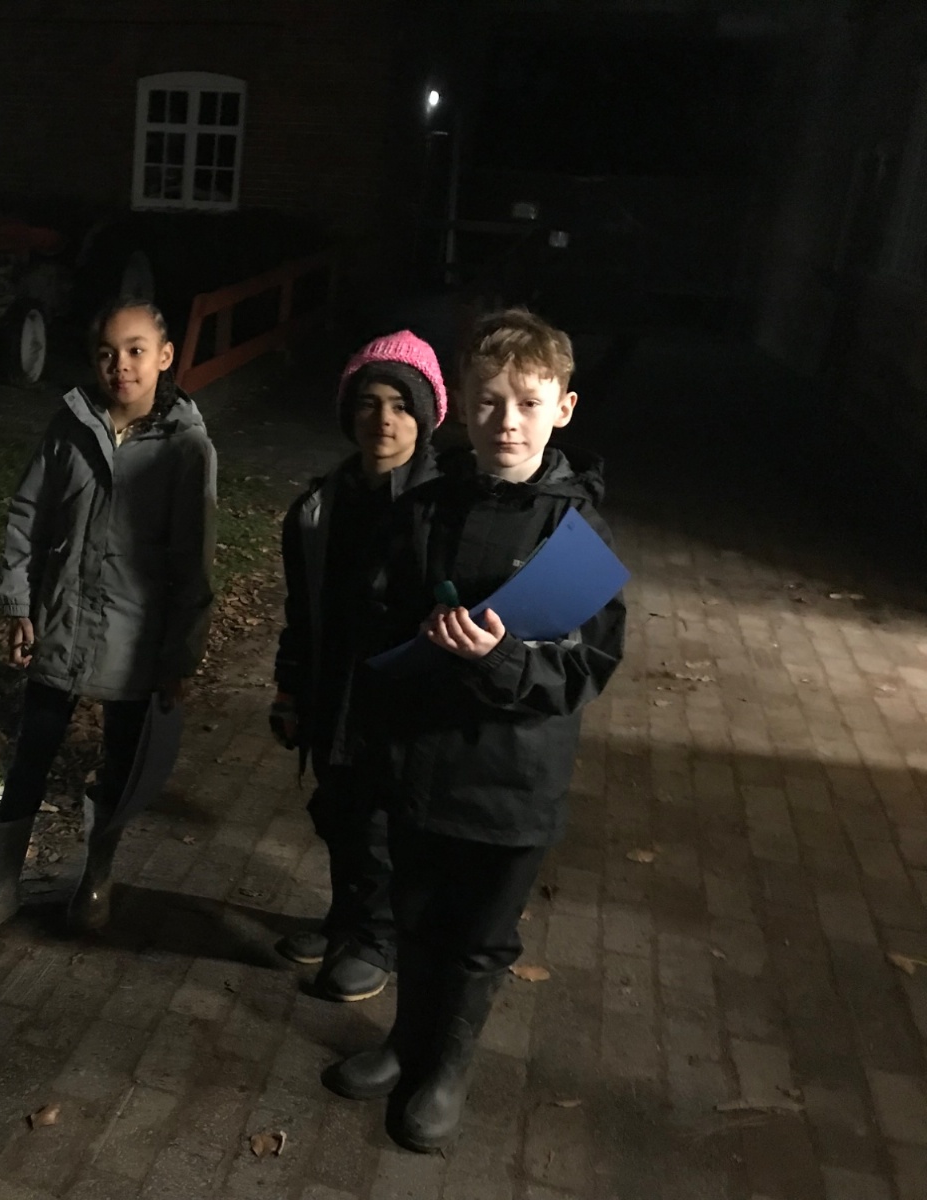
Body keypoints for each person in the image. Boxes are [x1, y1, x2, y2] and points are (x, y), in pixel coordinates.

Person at [322, 309, 625, 1151]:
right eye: (489, 401)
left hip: (514, 783)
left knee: (479, 938)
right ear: (462, 402)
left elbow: (587, 667)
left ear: (563, 408)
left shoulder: (577, 531)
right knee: (417, 917)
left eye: (527, 403)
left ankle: (447, 1069)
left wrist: (504, 660)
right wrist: (410, 633)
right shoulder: (428, 504)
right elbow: (378, 608)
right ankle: (404, 1044)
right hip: (421, 764)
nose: (507, 422)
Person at [0, 299, 217, 951]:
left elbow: (194, 559)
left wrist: (180, 656)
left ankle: (97, 875)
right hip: (62, 623)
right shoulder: (71, 423)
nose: (121, 365)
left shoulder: (186, 446)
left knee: (119, 765)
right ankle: (0, 888)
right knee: (29, 758)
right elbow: (28, 512)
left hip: (136, 639)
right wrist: (19, 603)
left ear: (165, 356)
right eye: (106, 353)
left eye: (135, 350)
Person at [270, 331, 448, 1002]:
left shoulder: (441, 509)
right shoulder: (320, 507)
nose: (384, 420)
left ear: (425, 417)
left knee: (382, 823)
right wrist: (290, 688)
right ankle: (346, 919)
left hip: (400, 697)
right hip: (333, 685)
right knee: (338, 811)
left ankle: (378, 938)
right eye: (369, 403)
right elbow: (302, 610)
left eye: (401, 406)